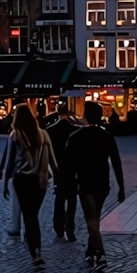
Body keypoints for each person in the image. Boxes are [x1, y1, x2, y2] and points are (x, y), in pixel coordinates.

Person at [66, 101, 126, 269]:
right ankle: (92, 250)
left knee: (91, 218)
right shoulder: (106, 136)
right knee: (95, 217)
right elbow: (116, 162)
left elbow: (69, 166)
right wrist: (121, 187)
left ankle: (98, 253)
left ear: (85, 115)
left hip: (84, 183)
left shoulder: (75, 137)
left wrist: (69, 186)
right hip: (102, 182)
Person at [3, 105, 58, 268]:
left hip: (23, 180)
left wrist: (6, 184)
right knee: (32, 215)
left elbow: (10, 163)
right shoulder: (44, 134)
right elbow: (52, 160)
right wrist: (57, 178)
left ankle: (35, 254)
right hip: (40, 181)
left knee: (29, 216)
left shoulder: (15, 135)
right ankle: (36, 251)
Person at [47, 102, 83, 243]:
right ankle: (70, 229)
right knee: (72, 200)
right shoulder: (76, 130)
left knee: (59, 198)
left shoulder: (50, 131)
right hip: (73, 169)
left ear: (57, 112)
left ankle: (58, 228)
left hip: (58, 168)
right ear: (68, 113)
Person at [0, 127, 24, 238]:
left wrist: (5, 179)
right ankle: (28, 229)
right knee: (29, 206)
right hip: (33, 174)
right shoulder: (36, 133)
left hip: (17, 174)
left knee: (16, 203)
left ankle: (16, 227)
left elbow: (10, 158)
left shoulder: (15, 134)